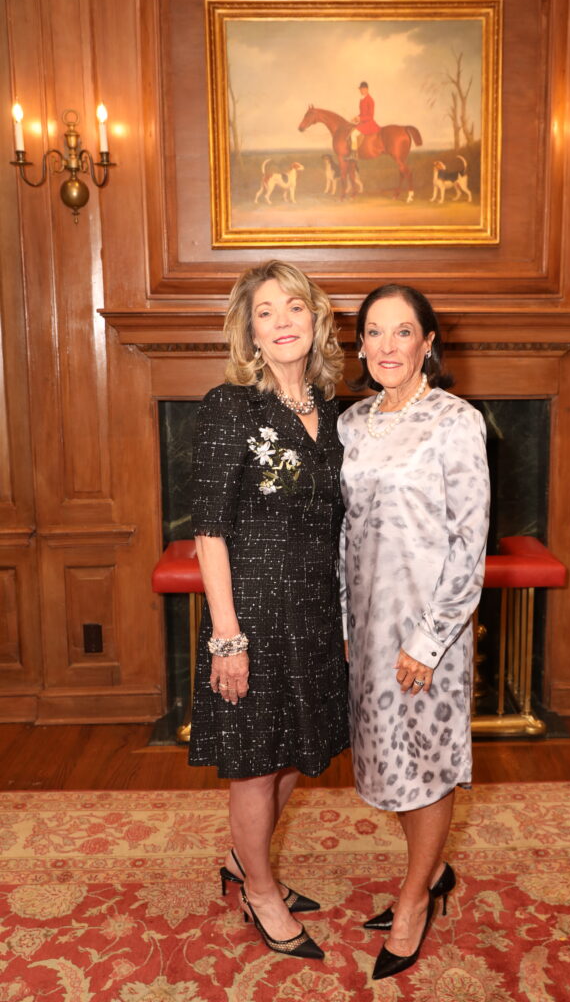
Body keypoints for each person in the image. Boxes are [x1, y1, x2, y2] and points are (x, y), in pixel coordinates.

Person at [189, 260, 349, 961]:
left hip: (315, 612)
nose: (282, 320)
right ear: (248, 332)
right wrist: (227, 636)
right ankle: (259, 890)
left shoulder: (337, 412)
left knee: (289, 757)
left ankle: (240, 860)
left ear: (314, 320)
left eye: (294, 306)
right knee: (255, 762)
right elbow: (209, 529)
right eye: (265, 311)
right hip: (251, 611)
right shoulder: (229, 407)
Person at [338, 284, 490, 980]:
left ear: (429, 342)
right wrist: (346, 624)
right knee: (386, 760)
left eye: (404, 332)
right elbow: (346, 536)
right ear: (360, 345)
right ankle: (430, 872)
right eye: (375, 332)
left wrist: (427, 643)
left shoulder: (454, 421)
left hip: (429, 632)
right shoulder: (353, 423)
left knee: (424, 762)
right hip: (368, 628)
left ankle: (412, 897)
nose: (389, 346)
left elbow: (469, 542)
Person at [349, 80, 380, 157]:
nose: (361, 91)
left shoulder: (370, 100)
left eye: (362, 89)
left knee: (353, 134)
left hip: (368, 123)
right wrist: (356, 118)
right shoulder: (362, 100)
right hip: (363, 122)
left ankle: (354, 155)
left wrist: (360, 119)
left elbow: (370, 116)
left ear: (367, 89)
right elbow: (362, 114)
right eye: (360, 89)